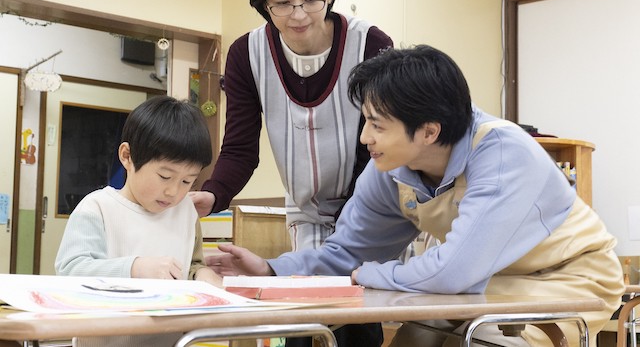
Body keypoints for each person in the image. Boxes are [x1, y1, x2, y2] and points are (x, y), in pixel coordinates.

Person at [208, 45, 625, 347]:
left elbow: (452, 272)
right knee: (415, 338)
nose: (365, 137)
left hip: (568, 278)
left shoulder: (503, 154)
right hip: (484, 283)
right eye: (365, 121)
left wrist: (372, 275)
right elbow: (345, 255)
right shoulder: (388, 169)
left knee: (493, 342)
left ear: (428, 131)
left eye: (377, 124)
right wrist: (269, 270)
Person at [189, 0, 392, 346]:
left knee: (358, 323)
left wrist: (357, 218)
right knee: (299, 326)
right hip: (306, 213)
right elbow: (241, 148)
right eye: (282, 3)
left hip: (370, 206)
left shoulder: (370, 44)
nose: (298, 15)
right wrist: (213, 195)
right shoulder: (248, 54)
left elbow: (383, 144)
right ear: (263, 3)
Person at [56, 95, 221, 347]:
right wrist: (134, 269)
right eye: (165, 176)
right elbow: (70, 271)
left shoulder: (185, 211)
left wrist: (204, 276)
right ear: (127, 156)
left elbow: (193, 265)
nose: (174, 192)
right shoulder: (98, 208)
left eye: (188, 181)